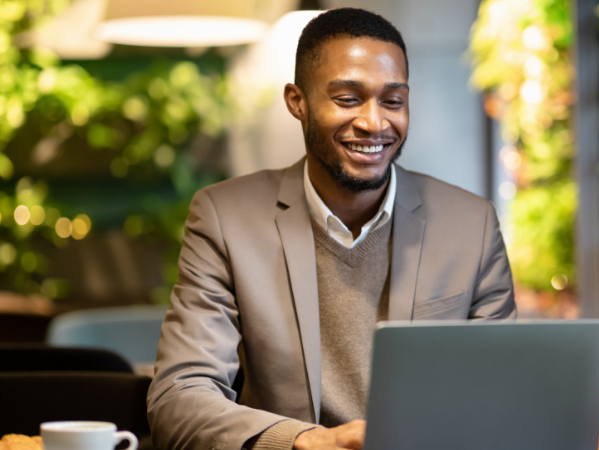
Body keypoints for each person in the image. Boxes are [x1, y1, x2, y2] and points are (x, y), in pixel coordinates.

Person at [146, 7, 516, 450]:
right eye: (347, 99)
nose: (374, 122)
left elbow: (505, 397)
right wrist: (301, 440)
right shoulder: (225, 218)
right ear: (297, 102)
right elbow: (179, 397)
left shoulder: (470, 225)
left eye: (393, 101)